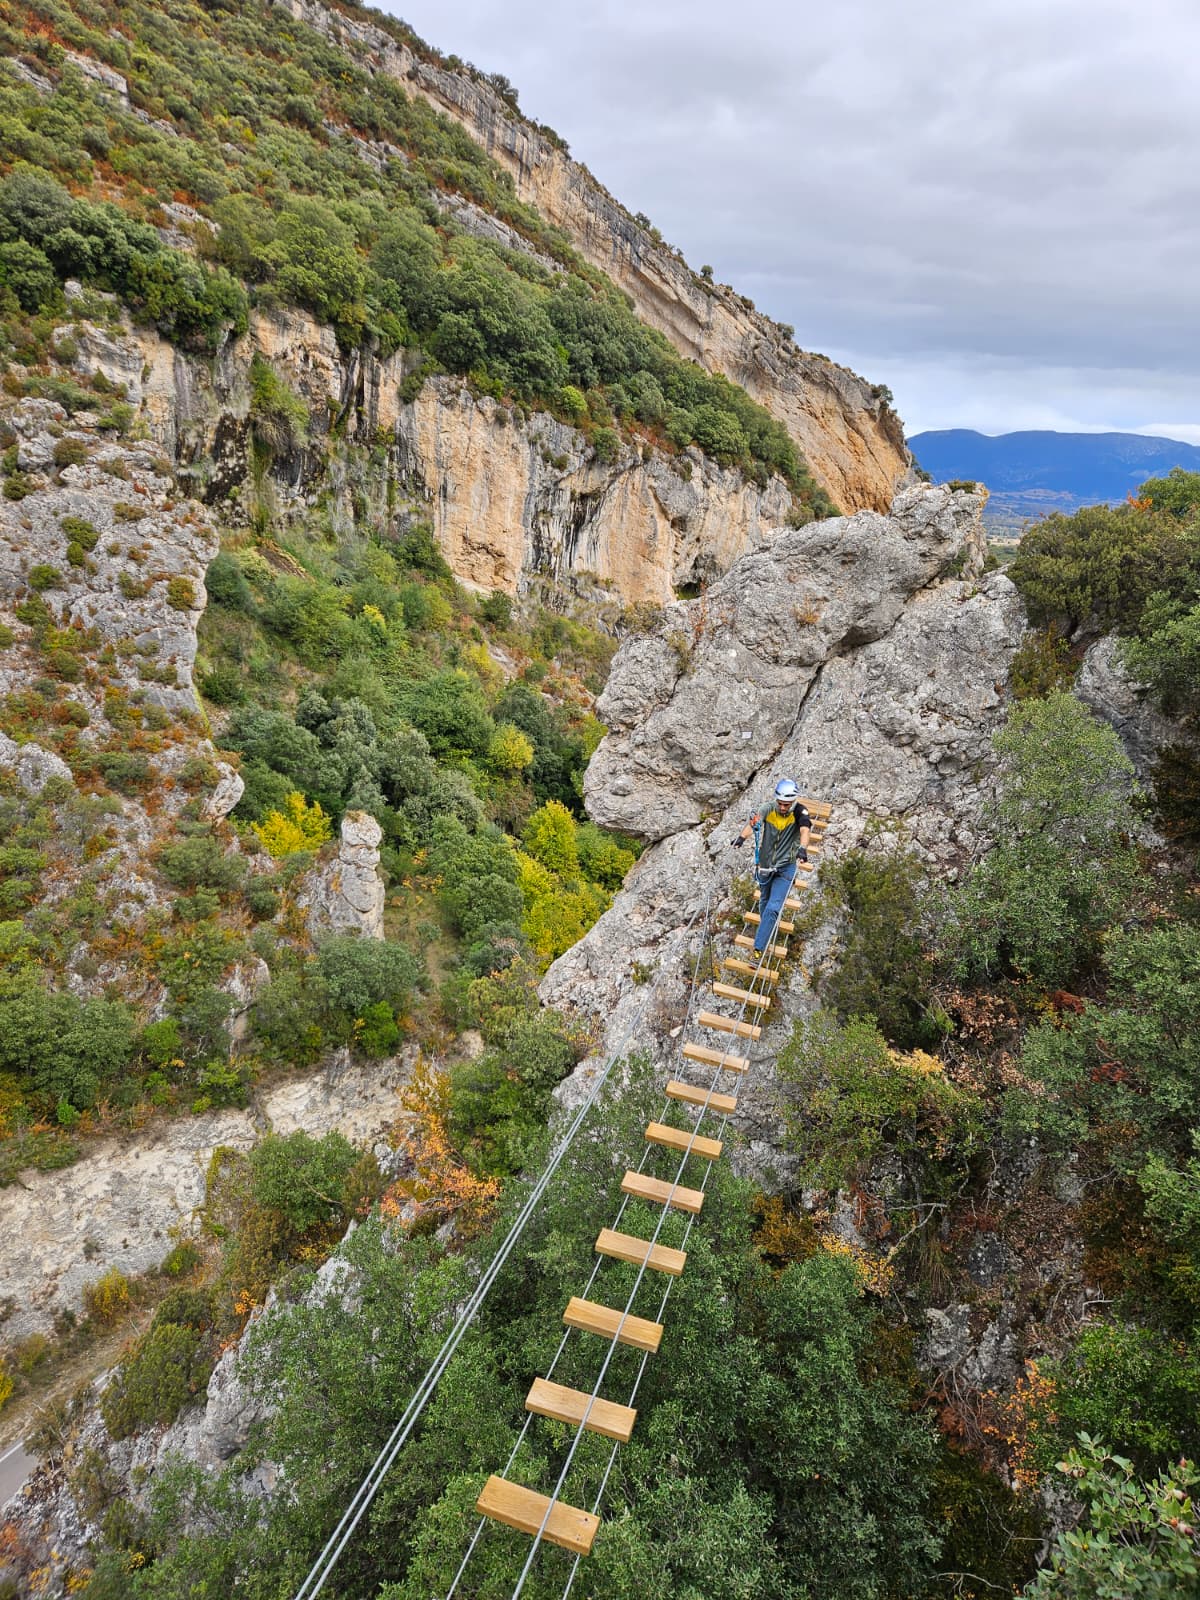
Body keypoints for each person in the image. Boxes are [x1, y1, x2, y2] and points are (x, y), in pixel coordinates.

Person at [733, 779, 811, 953]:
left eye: (786, 804)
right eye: (780, 803)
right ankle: (766, 928)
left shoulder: (800, 812)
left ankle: (758, 949)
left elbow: (805, 830)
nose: (783, 807)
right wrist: (741, 838)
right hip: (766, 865)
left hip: (786, 866)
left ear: (793, 802)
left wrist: (803, 849)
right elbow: (754, 823)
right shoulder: (768, 808)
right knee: (764, 902)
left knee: (773, 907)